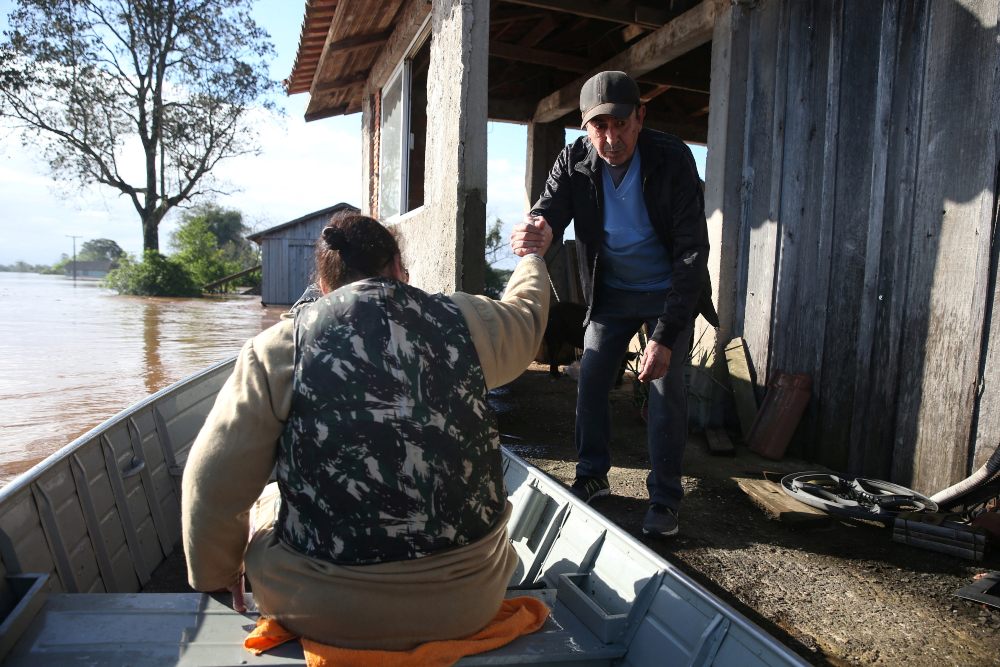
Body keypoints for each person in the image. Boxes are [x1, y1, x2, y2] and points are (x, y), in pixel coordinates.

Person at [182, 212, 551, 649]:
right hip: (469, 602)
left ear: (323, 286)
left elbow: (212, 484)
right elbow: (526, 316)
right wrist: (531, 259)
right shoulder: (466, 320)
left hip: (320, 610)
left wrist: (215, 578)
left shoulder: (280, 347)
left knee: (268, 498)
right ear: (397, 266)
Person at [511, 70, 718, 538]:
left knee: (666, 391)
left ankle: (665, 500)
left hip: (668, 291)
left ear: (640, 118)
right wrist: (536, 229)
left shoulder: (672, 158)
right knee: (593, 378)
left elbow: (691, 249)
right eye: (598, 127)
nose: (611, 138)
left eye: (620, 124)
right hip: (612, 292)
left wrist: (665, 337)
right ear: (586, 128)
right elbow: (548, 212)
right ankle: (592, 476)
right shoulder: (574, 160)